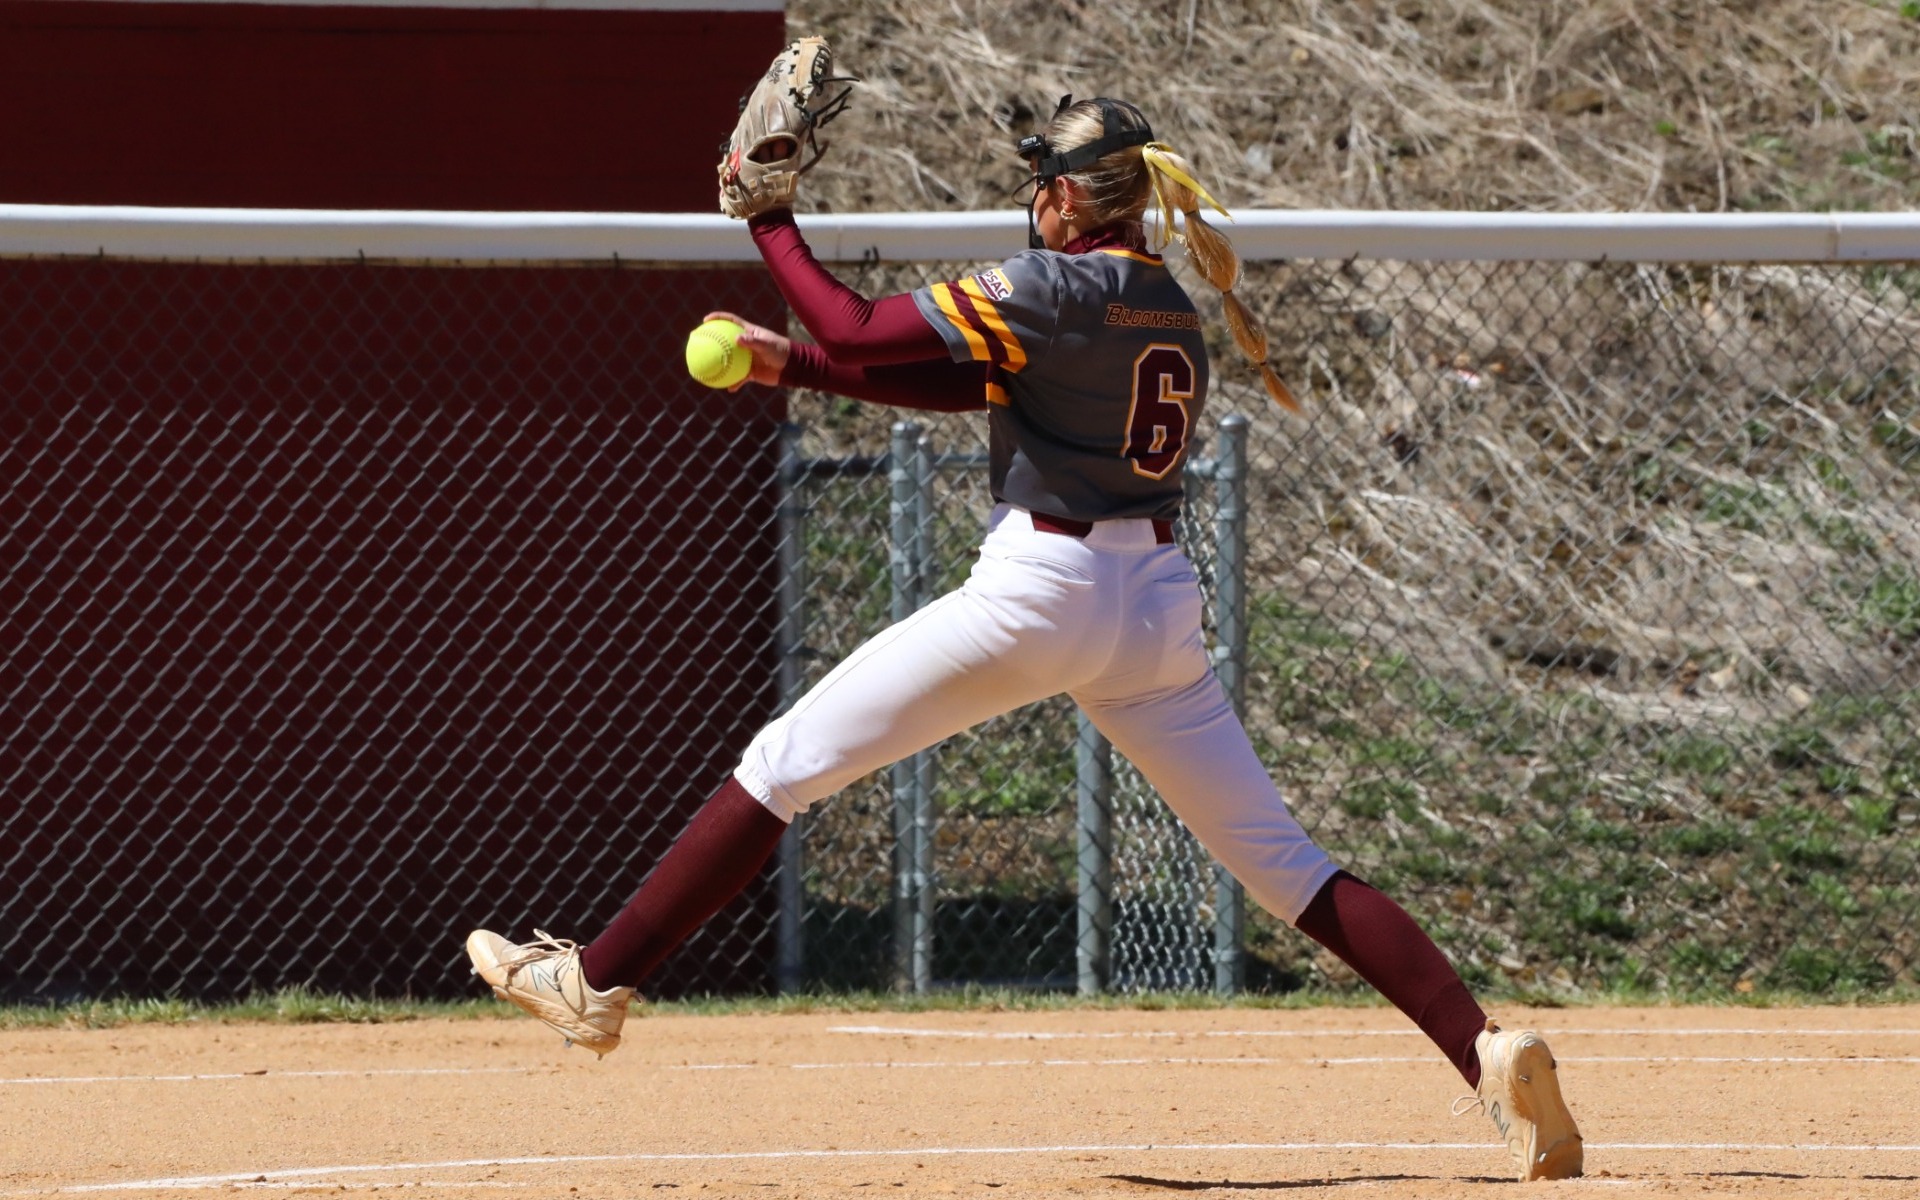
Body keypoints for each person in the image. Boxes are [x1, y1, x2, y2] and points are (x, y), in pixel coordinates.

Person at [466, 94, 1583, 1184]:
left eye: (1037, 183)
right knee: (1291, 868)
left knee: (783, 767)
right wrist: (789, 364)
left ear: (1061, 200)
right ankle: (1483, 1049)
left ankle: (593, 986)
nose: (1029, 201)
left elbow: (858, 326)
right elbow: (970, 386)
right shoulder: (1164, 303)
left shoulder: (1051, 281)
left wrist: (768, 223)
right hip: (1153, 610)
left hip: (1042, 592)